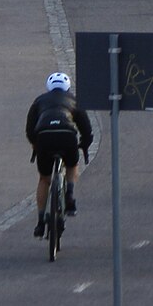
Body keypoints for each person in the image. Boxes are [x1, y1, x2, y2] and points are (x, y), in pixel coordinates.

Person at [25, 70, 94, 239]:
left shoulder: (39, 101)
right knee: (72, 164)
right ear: (68, 87)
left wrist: (36, 145)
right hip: (67, 136)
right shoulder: (75, 101)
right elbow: (86, 129)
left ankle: (41, 222)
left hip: (44, 137)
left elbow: (29, 129)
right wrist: (84, 145)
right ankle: (69, 195)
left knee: (44, 178)